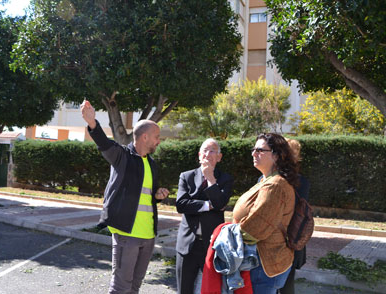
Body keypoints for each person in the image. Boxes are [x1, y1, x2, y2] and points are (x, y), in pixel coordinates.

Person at [81, 100, 169, 294]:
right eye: (156, 136)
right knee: (121, 288)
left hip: (148, 235)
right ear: (144, 137)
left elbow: (147, 196)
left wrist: (158, 195)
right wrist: (92, 123)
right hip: (127, 234)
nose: (159, 141)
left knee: (135, 287)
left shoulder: (152, 164)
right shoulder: (122, 157)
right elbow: (105, 144)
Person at [232, 133, 299, 294]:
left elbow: (255, 228)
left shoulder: (275, 185)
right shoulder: (266, 180)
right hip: (261, 261)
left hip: (265, 264)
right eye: (253, 149)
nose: (254, 154)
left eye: (260, 150)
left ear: (276, 156)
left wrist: (225, 233)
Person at [175, 138, 233, 294]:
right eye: (205, 150)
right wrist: (208, 205)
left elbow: (220, 204)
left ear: (219, 157)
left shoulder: (225, 179)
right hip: (187, 244)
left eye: (213, 150)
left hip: (211, 245)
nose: (208, 154)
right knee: (184, 289)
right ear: (199, 155)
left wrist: (211, 180)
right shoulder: (186, 176)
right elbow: (181, 205)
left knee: (211, 289)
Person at [279, 138, 310, 294]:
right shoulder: (302, 181)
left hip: (285, 241)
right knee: (286, 285)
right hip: (291, 240)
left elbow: (296, 213)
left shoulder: (296, 182)